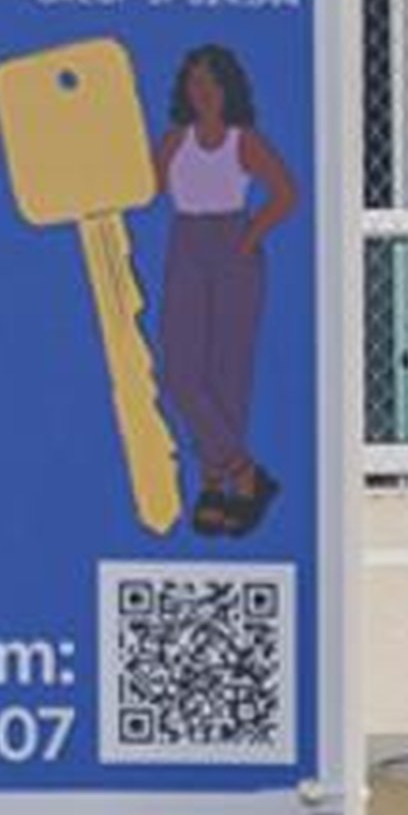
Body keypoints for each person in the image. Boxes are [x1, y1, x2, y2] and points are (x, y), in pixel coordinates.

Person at [149, 40, 299, 536]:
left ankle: (216, 486)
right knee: (180, 374)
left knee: (227, 372)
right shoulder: (174, 141)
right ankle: (245, 472)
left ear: (227, 87)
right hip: (186, 244)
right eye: (194, 82)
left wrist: (250, 235)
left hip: (233, 245)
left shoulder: (243, 141)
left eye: (211, 82)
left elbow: (285, 193)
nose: (202, 92)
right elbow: (145, 186)